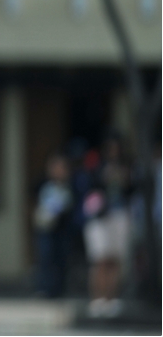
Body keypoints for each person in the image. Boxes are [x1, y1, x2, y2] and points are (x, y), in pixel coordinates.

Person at [82, 136, 132, 317]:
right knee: (100, 259)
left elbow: (131, 190)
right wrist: (104, 178)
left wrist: (125, 178)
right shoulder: (96, 167)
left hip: (119, 214)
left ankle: (112, 298)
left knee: (114, 259)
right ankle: (98, 299)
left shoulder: (126, 166)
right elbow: (88, 188)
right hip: (100, 217)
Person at [33, 153, 73, 298]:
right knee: (46, 258)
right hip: (46, 229)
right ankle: (44, 288)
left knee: (61, 259)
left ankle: (59, 290)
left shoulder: (69, 187)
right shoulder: (43, 185)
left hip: (62, 229)